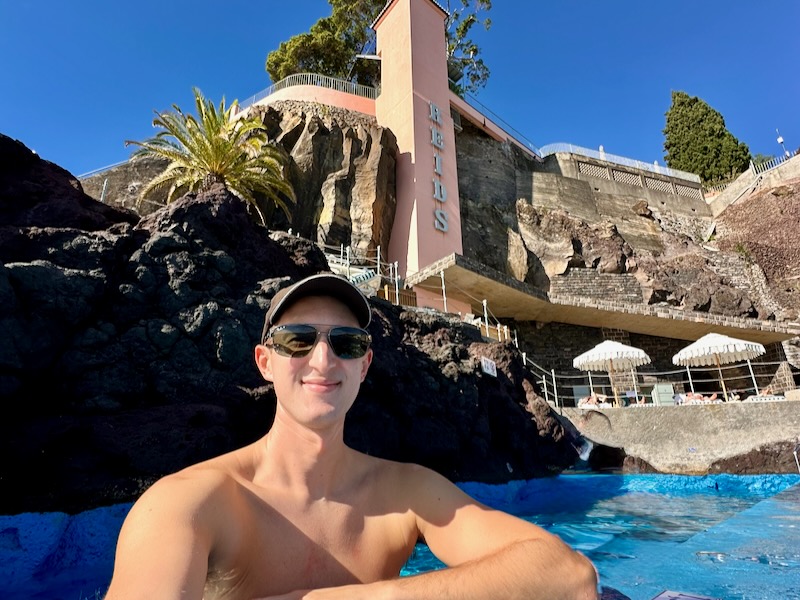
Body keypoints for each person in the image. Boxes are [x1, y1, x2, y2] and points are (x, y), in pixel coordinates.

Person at [104, 272, 598, 600]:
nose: (322, 360)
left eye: (345, 343)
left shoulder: (405, 493)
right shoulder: (190, 502)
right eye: (297, 339)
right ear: (265, 362)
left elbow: (570, 575)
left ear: (364, 366)